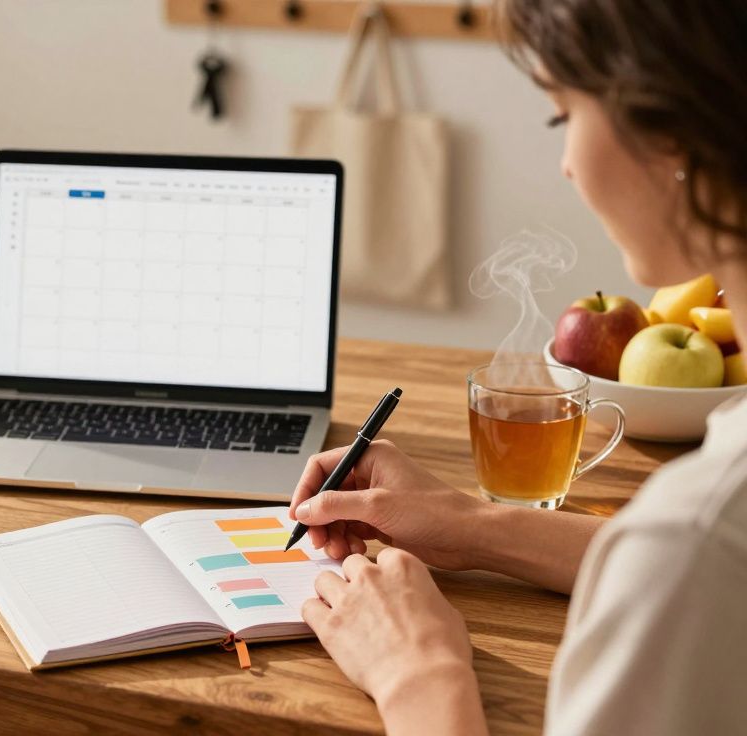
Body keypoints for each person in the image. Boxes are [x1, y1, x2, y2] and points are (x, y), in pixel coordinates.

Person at [291, 1, 747, 733]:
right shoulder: (698, 536)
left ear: (674, 123)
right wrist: (469, 524)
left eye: (562, 115)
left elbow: (697, 561)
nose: (566, 163)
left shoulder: (694, 538)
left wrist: (419, 672)